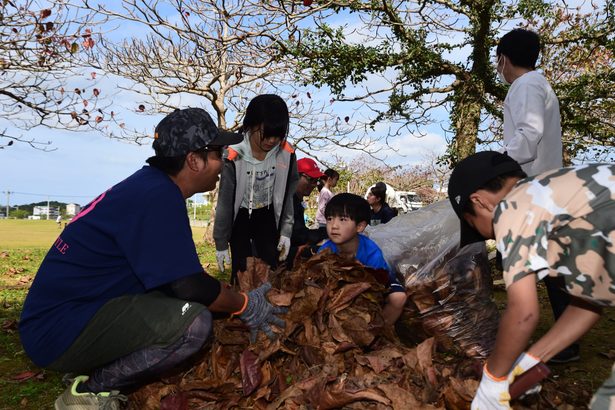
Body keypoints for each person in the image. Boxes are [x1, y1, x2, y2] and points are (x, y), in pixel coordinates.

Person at [19, 108, 287, 410]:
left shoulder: (150, 186)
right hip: (57, 330)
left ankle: (94, 362)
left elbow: (175, 281)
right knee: (193, 324)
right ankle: (89, 393)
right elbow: (190, 287)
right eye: (217, 153)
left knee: (184, 308)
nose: (222, 164)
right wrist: (246, 305)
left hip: (67, 317)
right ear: (194, 160)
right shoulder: (157, 197)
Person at [447, 151, 614, 410]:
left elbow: (523, 313)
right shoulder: (561, 195)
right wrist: (531, 360)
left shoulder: (512, 206)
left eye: (471, 223)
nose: (489, 237)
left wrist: (493, 378)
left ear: (479, 202)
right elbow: (588, 304)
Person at [496, 28, 576, 363]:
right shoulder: (539, 85)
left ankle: (537, 338)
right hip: (544, 186)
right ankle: (567, 341)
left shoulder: (525, 85)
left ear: (503, 59)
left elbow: (529, 135)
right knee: (549, 267)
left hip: (532, 188)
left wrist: (495, 162)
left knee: (524, 265)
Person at [214, 94, 298, 284]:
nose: (271, 141)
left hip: (268, 214)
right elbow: (225, 200)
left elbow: (288, 195)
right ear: (250, 125)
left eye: (278, 135)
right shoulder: (233, 153)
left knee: (270, 270)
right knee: (241, 271)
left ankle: (268, 306)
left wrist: (286, 231)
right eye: (266, 134)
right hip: (240, 216)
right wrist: (221, 242)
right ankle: (240, 307)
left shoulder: (287, 153)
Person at [319, 193, 407, 326]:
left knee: (398, 298)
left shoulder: (372, 253)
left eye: (342, 219)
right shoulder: (325, 251)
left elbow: (378, 284)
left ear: (360, 226)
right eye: (330, 219)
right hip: (340, 290)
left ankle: (378, 332)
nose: (334, 226)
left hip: (376, 283)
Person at [287, 158, 328, 269]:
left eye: (316, 180)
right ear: (295, 176)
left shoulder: (297, 201)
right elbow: (298, 235)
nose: (314, 184)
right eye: (311, 179)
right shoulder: (287, 202)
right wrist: (326, 232)